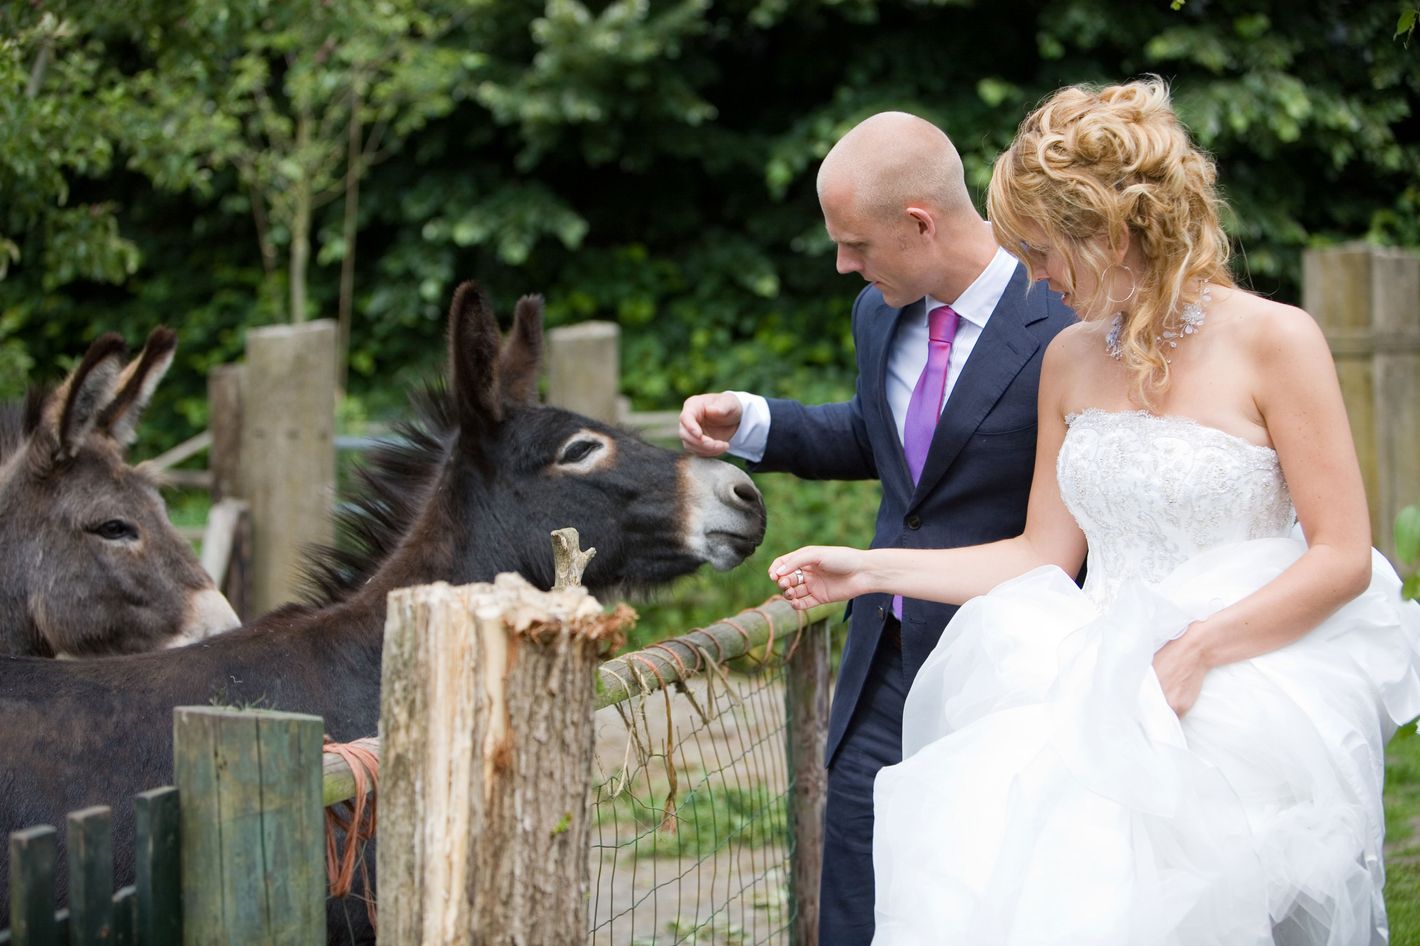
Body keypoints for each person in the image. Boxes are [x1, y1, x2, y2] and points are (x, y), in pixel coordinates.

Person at [769, 77, 1420, 945]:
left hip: (1243, 692)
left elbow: (1342, 555)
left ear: (1112, 234)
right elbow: (1041, 553)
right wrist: (868, 568)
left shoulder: (1276, 340)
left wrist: (1195, 652)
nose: (1032, 279)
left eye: (1040, 252)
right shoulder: (1070, 358)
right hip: (1084, 684)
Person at [679, 112, 1075, 943]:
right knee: (856, 885)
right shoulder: (878, 312)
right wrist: (753, 423)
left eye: (854, 243)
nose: (842, 263)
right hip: (884, 662)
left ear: (919, 223)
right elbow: (884, 438)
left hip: (1018, 674)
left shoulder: (1066, 322)